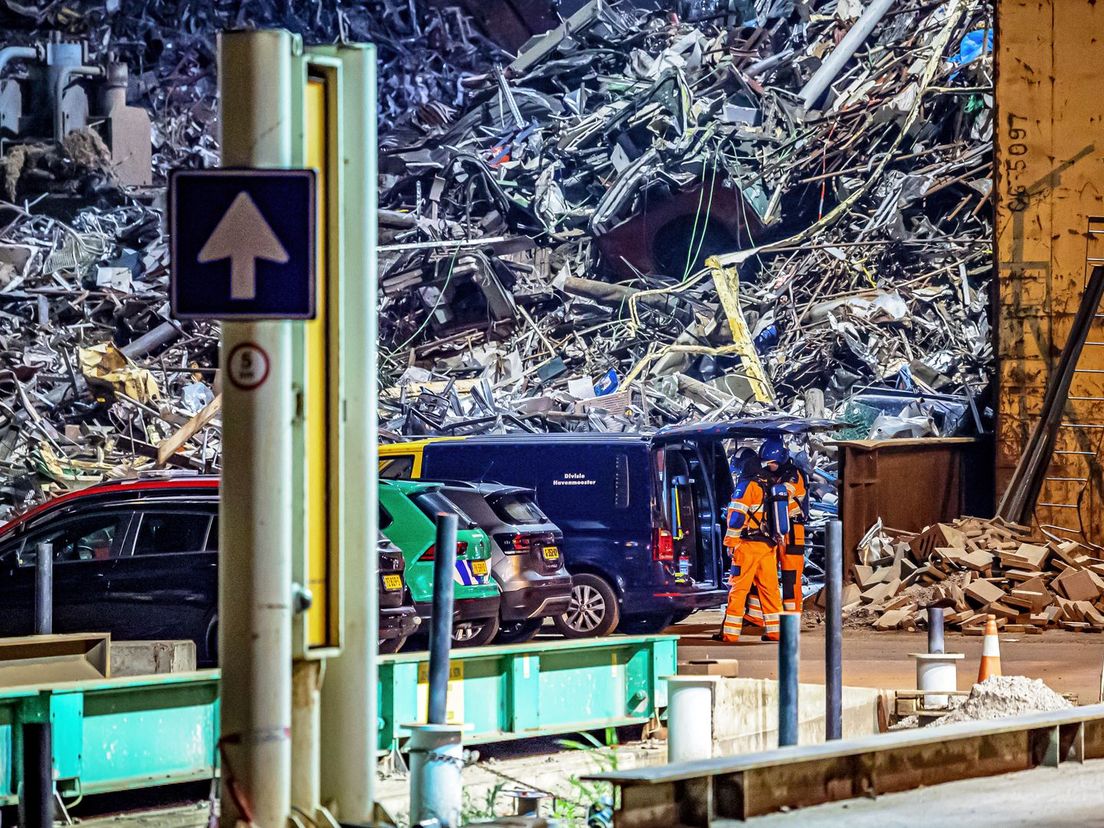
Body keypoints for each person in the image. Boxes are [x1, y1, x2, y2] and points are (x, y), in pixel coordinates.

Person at [719, 451, 780, 643]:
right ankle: (776, 631)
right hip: (768, 546)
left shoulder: (746, 487)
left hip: (748, 546)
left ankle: (730, 633)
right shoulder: (768, 483)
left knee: (738, 589)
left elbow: (737, 517)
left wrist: (730, 543)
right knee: (770, 590)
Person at [760, 437, 810, 614]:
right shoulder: (774, 475)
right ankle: (764, 615)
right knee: (768, 575)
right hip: (776, 529)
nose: (769, 466)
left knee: (791, 576)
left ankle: (792, 614)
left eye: (771, 462)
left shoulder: (793, 475)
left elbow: (783, 495)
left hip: (792, 530)